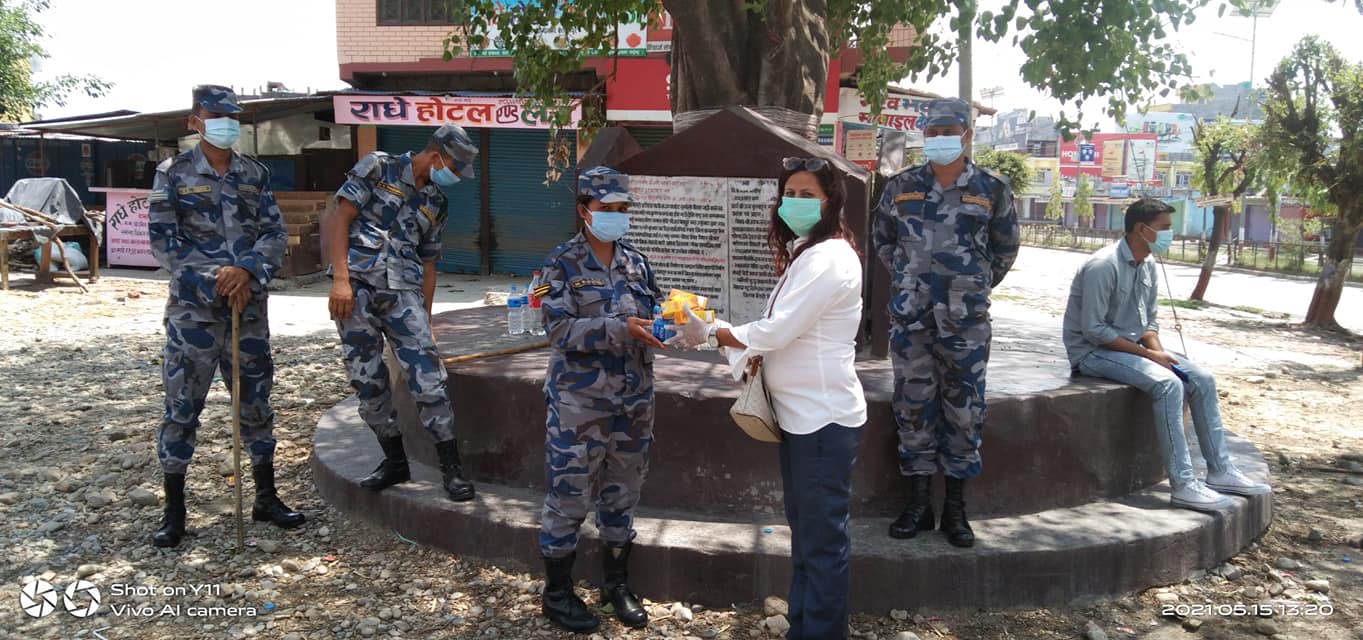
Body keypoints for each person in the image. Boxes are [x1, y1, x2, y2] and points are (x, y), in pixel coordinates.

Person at [669, 157, 867, 640]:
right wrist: (718, 334)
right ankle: (806, 629)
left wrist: (713, 333)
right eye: (789, 194)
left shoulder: (830, 258)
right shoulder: (808, 253)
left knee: (820, 545)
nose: (794, 203)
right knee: (807, 541)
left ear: (830, 202)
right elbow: (778, 333)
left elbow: (777, 331)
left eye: (807, 195)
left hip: (823, 422)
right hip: (802, 421)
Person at [147, 84, 304, 548]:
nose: (227, 123)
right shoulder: (172, 173)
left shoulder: (254, 173)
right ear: (195, 120)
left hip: (247, 309)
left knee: (256, 404)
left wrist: (248, 270)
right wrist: (218, 277)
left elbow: (275, 231)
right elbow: (164, 241)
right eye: (217, 115)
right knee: (182, 409)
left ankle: (266, 498)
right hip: (195, 315)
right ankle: (174, 512)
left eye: (232, 115)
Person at [872, 97, 1020, 547]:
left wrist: (970, 287)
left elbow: (1005, 249)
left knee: (964, 410)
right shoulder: (901, 187)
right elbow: (884, 241)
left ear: (967, 134)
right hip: (911, 319)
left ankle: (956, 508)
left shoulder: (992, 188)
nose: (938, 139)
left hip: (966, 323)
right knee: (913, 406)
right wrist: (908, 281)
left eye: (947, 131)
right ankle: (917, 504)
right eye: (931, 132)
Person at [1062, 198, 1270, 511]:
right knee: (1168, 384)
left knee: (1201, 378)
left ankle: (1220, 470)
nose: (1169, 235)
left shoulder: (1147, 264)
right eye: (1165, 228)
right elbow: (1094, 331)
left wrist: (1158, 352)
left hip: (1133, 348)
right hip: (1092, 353)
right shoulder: (1103, 266)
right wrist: (1150, 358)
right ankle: (1184, 484)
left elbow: (1148, 321)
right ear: (1142, 229)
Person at [536, 166, 665, 633]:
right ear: (584, 210)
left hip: (633, 402)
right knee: (569, 498)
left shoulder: (637, 263)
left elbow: (654, 313)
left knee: (623, 495)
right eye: (606, 209)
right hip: (579, 405)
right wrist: (617, 329)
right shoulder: (559, 265)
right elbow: (557, 329)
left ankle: (615, 585)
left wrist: (671, 326)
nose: (615, 217)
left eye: (622, 210)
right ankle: (557, 593)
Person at [327, 124, 480, 502]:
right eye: (455, 167)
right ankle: (395, 460)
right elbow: (340, 220)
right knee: (367, 379)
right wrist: (341, 280)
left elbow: (429, 263)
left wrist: (426, 316)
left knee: (429, 378)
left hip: (403, 295)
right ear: (436, 156)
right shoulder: (378, 167)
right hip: (357, 290)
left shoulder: (436, 202)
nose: (456, 175)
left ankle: (452, 469)